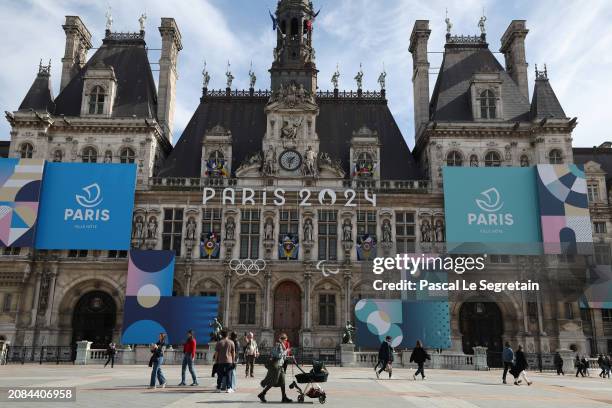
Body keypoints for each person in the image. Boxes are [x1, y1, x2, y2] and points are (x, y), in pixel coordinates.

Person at [258, 333, 292, 403]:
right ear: (282, 340)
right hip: (277, 366)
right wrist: (286, 351)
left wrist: (289, 356)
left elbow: (282, 356)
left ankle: (284, 397)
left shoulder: (282, 345)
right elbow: (277, 355)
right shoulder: (278, 345)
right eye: (285, 340)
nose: (286, 342)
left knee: (283, 382)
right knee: (274, 381)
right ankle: (262, 394)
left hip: (280, 366)